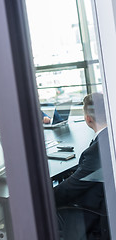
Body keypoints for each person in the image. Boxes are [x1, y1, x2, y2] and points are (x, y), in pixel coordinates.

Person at [54, 92, 110, 239]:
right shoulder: (109, 138)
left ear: (88, 119)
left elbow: (70, 189)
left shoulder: (95, 151)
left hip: (95, 210)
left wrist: (45, 197)